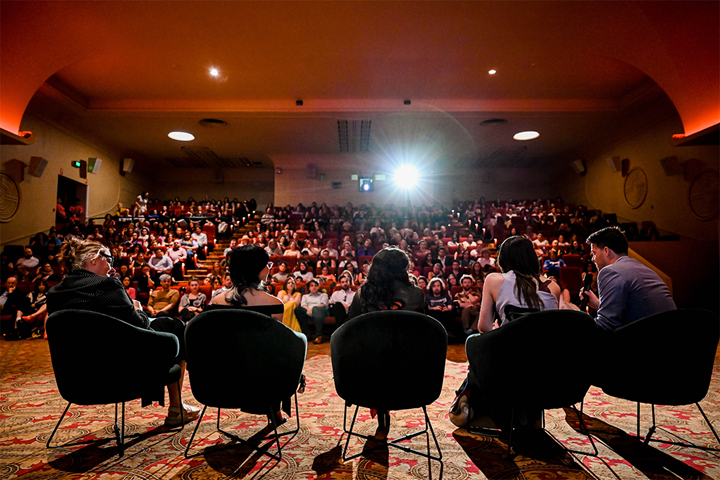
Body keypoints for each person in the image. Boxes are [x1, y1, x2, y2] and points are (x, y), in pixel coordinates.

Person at [45, 238, 199, 426]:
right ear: (93, 258)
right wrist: (137, 309)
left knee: (165, 326)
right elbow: (142, 326)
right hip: (119, 374)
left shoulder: (54, 293)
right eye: (108, 259)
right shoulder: (107, 285)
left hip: (75, 377)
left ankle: (177, 406)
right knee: (174, 327)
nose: (111, 266)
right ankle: (176, 407)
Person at [449, 235, 560, 433]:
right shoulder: (553, 287)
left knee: (476, 342)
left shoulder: (494, 279)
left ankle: (471, 398)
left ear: (504, 259)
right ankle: (531, 415)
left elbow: (483, 327)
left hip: (508, 364)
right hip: (544, 367)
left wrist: (501, 329)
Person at [346, 246, 425, 437]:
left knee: (374, 352)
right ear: (404, 269)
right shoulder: (417, 295)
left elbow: (350, 331)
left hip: (369, 375)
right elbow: (423, 333)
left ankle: (379, 403)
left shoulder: (362, 294)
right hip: (412, 373)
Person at [580, 226, 676, 331]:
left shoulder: (611, 271)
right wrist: (599, 304)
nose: (593, 259)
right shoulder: (646, 270)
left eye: (594, 253)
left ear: (606, 251)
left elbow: (605, 326)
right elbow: (637, 310)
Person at [295, 279, 329, 344]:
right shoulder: (305, 296)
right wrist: (308, 309)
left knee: (316, 309)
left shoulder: (324, 295)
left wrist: (312, 308)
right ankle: (307, 334)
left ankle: (319, 335)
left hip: (320, 311)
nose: (314, 287)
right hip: (308, 311)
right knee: (298, 310)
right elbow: (303, 305)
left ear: (318, 287)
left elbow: (323, 304)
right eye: (312, 286)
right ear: (309, 288)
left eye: (315, 285)